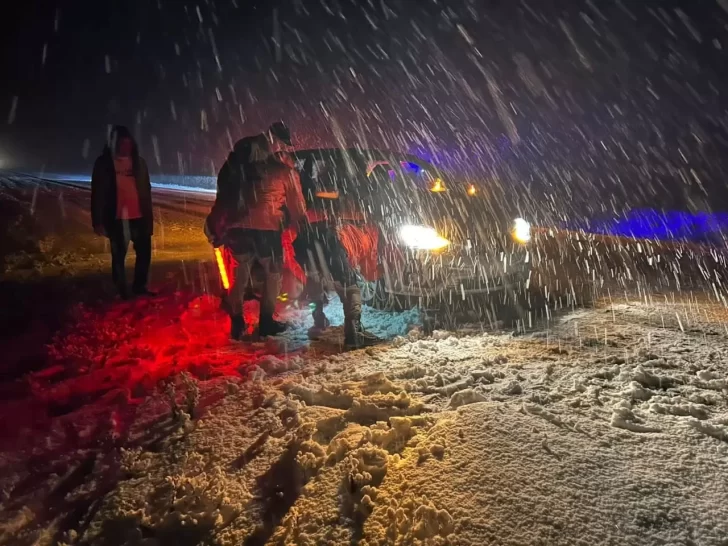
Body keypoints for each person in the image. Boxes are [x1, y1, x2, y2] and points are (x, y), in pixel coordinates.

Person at [205, 122, 306, 340]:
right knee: (274, 273)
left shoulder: (239, 172)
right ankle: (267, 321)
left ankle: (237, 321)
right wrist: (297, 223)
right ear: (273, 140)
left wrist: (217, 222)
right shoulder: (284, 171)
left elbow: (225, 195)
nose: (282, 149)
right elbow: (298, 207)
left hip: (238, 227)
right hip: (266, 230)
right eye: (282, 144)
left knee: (239, 276)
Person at [293, 154, 382, 349]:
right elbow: (369, 263)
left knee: (314, 276)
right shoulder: (365, 216)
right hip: (334, 242)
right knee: (350, 286)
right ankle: (354, 334)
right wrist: (372, 274)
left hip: (305, 240)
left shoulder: (319, 186)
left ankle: (317, 321)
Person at [91, 125, 154, 299]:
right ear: (113, 144)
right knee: (118, 257)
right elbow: (98, 193)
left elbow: (146, 191)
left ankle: (139, 287)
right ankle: (122, 291)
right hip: (117, 218)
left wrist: (149, 218)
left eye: (128, 143)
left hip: (139, 217)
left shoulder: (139, 163)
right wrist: (97, 221)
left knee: (144, 255)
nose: (126, 147)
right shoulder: (104, 164)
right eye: (122, 143)